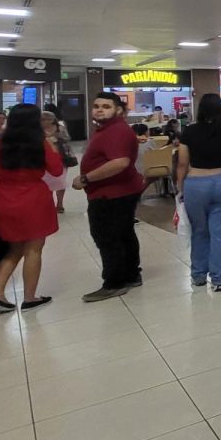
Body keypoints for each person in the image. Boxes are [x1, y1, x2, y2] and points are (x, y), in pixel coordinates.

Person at [0, 104, 62, 313]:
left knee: (13, 248)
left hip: (3, 199)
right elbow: (57, 170)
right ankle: (30, 297)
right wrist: (52, 147)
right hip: (34, 199)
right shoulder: (39, 144)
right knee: (34, 248)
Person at [74, 92, 146, 301]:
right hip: (118, 191)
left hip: (112, 194)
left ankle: (114, 282)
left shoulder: (117, 131)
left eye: (106, 106)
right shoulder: (107, 130)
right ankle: (131, 275)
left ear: (118, 110)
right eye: (96, 106)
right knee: (123, 234)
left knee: (107, 237)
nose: (99, 109)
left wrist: (86, 178)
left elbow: (120, 162)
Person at [175, 93, 221, 291]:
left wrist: (180, 187)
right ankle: (218, 278)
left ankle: (198, 275)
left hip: (196, 183)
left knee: (199, 231)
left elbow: (182, 163)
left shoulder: (189, 131)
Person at [40, 109, 72, 213]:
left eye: (48, 119)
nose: (46, 121)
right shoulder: (37, 129)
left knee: (61, 181)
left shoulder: (60, 127)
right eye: (43, 119)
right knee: (46, 181)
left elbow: (67, 138)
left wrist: (56, 138)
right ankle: (48, 203)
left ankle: (60, 203)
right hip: (44, 158)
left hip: (61, 156)